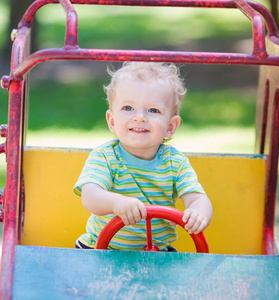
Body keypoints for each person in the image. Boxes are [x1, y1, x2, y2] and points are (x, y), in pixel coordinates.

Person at [73, 62, 212, 251]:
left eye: (153, 110)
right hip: (101, 250)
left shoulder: (175, 163)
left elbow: (197, 199)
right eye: (128, 108)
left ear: (170, 126)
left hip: (156, 254)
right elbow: (90, 196)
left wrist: (198, 213)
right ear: (112, 121)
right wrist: (117, 202)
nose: (139, 117)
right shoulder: (105, 156)